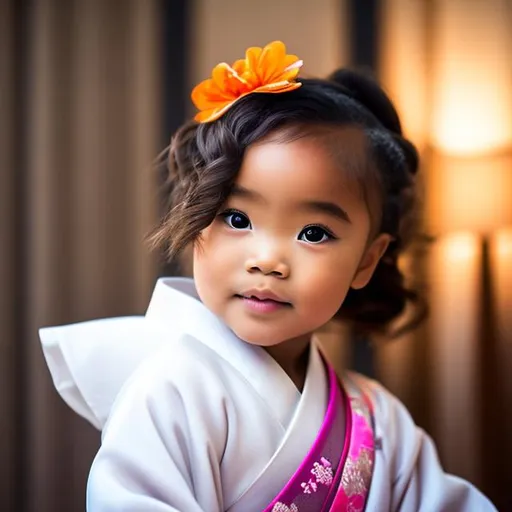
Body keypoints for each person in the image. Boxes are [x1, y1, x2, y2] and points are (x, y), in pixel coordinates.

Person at [40, 41, 496, 511]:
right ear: (196, 223)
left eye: (314, 233)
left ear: (366, 260)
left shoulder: (379, 420)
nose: (267, 260)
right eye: (237, 219)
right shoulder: (171, 389)